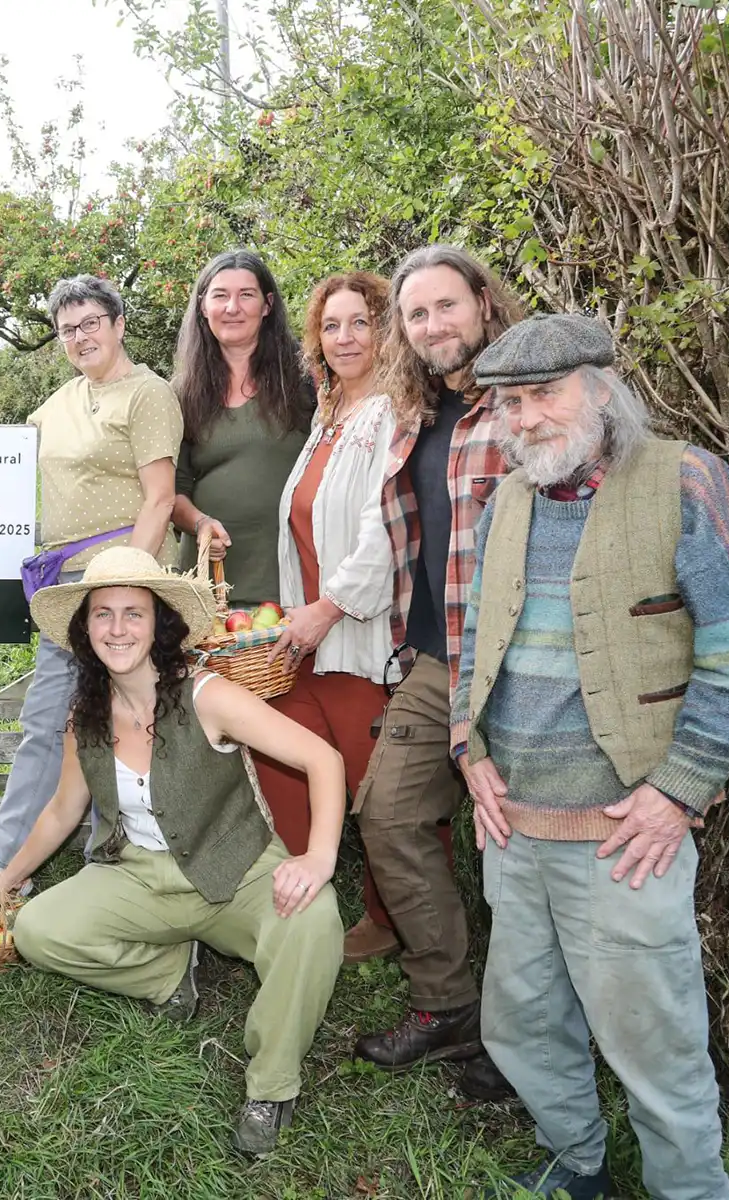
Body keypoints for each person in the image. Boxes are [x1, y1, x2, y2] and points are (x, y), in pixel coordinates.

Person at [451, 314, 729, 1200]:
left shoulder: (687, 479)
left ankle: (689, 1190)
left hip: (626, 834)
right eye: (509, 403)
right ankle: (574, 1161)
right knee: (524, 1022)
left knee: (655, 1041)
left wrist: (678, 792)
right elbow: (477, 638)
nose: (524, 419)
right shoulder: (508, 498)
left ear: (602, 388)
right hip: (513, 827)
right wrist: (467, 749)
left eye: (542, 395)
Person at [0, 546, 345, 1157]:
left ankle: (270, 1084)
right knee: (39, 931)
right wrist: (7, 881)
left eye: (134, 612)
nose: (118, 628)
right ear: (86, 629)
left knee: (314, 921)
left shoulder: (207, 696)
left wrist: (318, 858)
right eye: (103, 614)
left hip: (234, 869)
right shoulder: (87, 716)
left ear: (159, 625)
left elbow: (324, 759)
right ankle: (171, 976)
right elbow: (62, 811)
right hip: (139, 876)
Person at [0, 275, 183, 896]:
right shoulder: (63, 399)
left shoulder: (148, 396)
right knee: (44, 723)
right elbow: (25, 451)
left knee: (127, 725)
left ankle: (115, 873)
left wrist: (119, 593)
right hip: (65, 593)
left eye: (92, 322)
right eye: (68, 329)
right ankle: (0, 867)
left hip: (124, 592)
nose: (81, 336)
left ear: (119, 325)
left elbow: (160, 500)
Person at [350, 245, 522, 1102]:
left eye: (445, 307)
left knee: (519, 853)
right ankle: (448, 1003)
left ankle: (527, 1041)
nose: (431, 327)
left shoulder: (526, 405)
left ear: (485, 305)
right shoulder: (417, 414)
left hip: (521, 668)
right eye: (416, 316)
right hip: (434, 657)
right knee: (388, 814)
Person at [258, 271, 411, 964]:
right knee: (284, 766)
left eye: (360, 322)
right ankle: (303, 902)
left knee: (382, 793)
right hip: (306, 639)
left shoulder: (396, 412)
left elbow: (389, 531)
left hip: (361, 637)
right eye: (331, 325)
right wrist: (301, 615)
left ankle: (393, 919)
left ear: (386, 331)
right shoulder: (328, 416)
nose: (344, 337)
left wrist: (329, 607)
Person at [168, 249, 316, 605]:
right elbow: (170, 492)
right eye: (220, 295)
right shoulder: (179, 393)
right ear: (203, 306)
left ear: (267, 305)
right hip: (208, 587)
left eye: (246, 295)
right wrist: (201, 523)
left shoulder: (305, 380)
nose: (232, 307)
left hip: (289, 580)